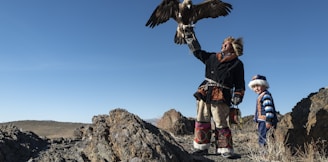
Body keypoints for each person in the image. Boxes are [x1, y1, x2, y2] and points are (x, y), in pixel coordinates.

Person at [184, 27, 245, 158]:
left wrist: (238, 95)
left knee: (220, 121)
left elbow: (240, 83)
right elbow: (197, 52)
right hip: (205, 91)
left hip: (222, 94)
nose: (223, 45)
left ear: (233, 47)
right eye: (223, 43)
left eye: (226, 43)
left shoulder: (237, 64)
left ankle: (225, 149)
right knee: (202, 118)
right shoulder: (212, 57)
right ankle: (202, 148)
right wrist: (190, 37)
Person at [248, 74, 278, 147]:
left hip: (266, 121)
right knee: (262, 137)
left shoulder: (265, 95)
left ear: (264, 85)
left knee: (265, 138)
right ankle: (265, 153)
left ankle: (265, 154)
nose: (256, 88)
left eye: (258, 86)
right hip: (262, 121)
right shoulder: (260, 96)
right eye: (254, 87)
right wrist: (257, 121)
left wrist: (269, 120)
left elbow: (269, 109)